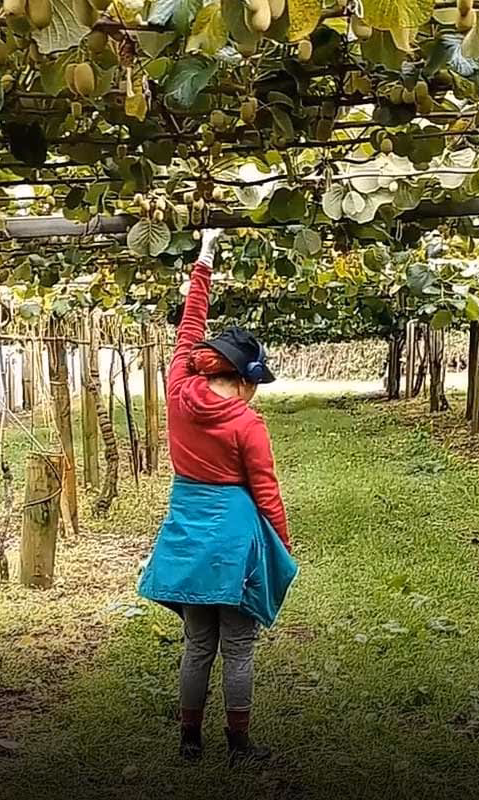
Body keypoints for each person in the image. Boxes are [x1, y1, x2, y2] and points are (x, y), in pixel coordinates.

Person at [136, 228, 298, 767]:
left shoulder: (178, 388)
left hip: (186, 529)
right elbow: (266, 490)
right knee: (240, 646)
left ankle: (189, 741)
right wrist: (281, 544)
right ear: (245, 379)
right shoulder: (246, 423)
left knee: (197, 645)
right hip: (234, 536)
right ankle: (239, 745)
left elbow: (189, 326)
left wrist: (203, 259)